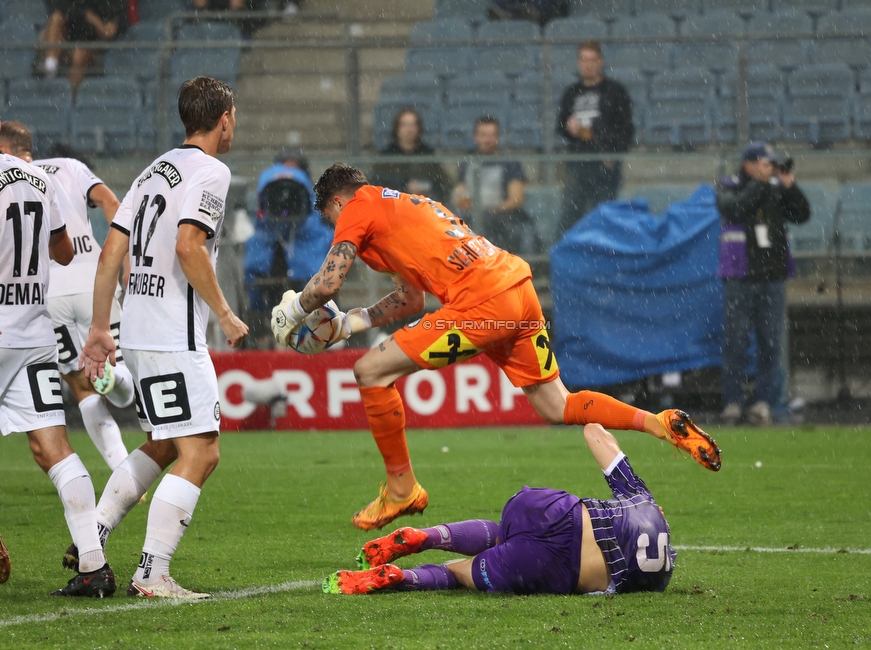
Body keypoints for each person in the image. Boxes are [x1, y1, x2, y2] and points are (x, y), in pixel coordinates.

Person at [271, 162, 721, 532]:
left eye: (332, 219)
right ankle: (657, 423)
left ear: (337, 201)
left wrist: (292, 311)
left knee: (370, 372)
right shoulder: (403, 207)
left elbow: (328, 282)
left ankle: (402, 488)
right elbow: (411, 299)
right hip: (517, 289)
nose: (336, 226)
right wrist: (349, 323)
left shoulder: (358, 205)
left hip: (481, 302)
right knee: (556, 404)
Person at [76, 77, 249, 599]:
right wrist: (224, 312)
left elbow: (111, 253)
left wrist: (101, 327)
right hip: (176, 335)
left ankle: (94, 535)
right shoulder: (211, 171)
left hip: (138, 331)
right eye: (234, 116)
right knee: (203, 451)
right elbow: (189, 247)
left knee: (165, 442)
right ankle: (152, 573)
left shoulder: (153, 170)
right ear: (224, 119)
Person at [323, 423, 679, 595]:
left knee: (501, 532)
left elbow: (594, 432)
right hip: (551, 567)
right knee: (459, 574)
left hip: (549, 510)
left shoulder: (641, 500)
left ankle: (427, 535)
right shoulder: (657, 581)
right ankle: (404, 577)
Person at [0, 117, 117, 597]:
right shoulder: (39, 181)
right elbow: (65, 253)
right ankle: (93, 566)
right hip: (31, 334)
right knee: (54, 449)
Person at [0, 122, 136, 472]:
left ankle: (122, 471)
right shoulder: (69, 167)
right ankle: (118, 382)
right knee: (117, 368)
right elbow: (112, 202)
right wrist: (125, 259)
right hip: (94, 282)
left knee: (81, 388)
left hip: (50, 292)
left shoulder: (15, 182)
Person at [716, 142, 810, 426]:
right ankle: (732, 401)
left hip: (772, 276)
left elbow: (802, 214)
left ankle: (763, 402)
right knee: (736, 341)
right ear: (749, 164)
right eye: (765, 163)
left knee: (771, 342)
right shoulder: (729, 185)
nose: (770, 168)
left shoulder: (775, 189)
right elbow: (735, 208)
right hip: (741, 276)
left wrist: (789, 185)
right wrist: (760, 185)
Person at [244, 150, 333, 348]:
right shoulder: (259, 239)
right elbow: (261, 218)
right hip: (271, 254)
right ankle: (263, 335)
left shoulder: (318, 227)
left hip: (306, 248)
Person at [556, 41, 634, 236]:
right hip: (578, 162)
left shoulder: (615, 91)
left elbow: (625, 129)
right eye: (584, 60)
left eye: (592, 60)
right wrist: (569, 127)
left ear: (600, 62)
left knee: (604, 214)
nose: (588, 64)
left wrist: (612, 153)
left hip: (604, 162)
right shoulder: (571, 93)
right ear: (578, 63)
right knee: (571, 213)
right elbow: (560, 126)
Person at [452, 116, 535, 254]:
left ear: (498, 137)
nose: (487, 139)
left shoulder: (510, 163)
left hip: (500, 217)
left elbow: (516, 199)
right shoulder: (467, 162)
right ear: (475, 137)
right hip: (471, 215)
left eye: (492, 135)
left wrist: (492, 211)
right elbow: (459, 192)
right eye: (483, 135)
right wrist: (463, 202)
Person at [41, 0, 128, 92]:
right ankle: (50, 68)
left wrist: (92, 18)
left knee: (80, 55)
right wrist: (84, 13)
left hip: (92, 45)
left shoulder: (114, 3)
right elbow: (60, 11)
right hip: (63, 40)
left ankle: (68, 98)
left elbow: (107, 33)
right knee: (56, 18)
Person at [372, 107, 450, 202]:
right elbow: (378, 183)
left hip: (423, 205)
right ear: (397, 127)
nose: (409, 129)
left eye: (413, 125)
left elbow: (441, 183)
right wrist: (404, 186)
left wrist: (425, 187)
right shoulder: (386, 155)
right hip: (393, 205)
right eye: (404, 125)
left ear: (419, 128)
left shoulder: (428, 154)